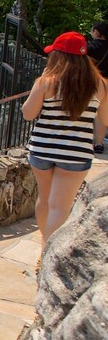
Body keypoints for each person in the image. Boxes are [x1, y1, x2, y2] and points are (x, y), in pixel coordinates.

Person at [23, 31, 108, 250]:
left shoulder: (46, 82)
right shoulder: (100, 85)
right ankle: (48, 251)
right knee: (60, 207)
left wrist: (40, 86)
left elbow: (28, 113)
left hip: (42, 150)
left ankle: (45, 247)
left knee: (45, 198)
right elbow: (105, 118)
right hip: (76, 153)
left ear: (58, 55)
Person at [86, 22, 108, 152]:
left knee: (87, 111)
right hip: (107, 83)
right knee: (102, 113)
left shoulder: (89, 47)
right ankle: (99, 143)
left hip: (92, 82)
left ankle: (87, 141)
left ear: (96, 31)